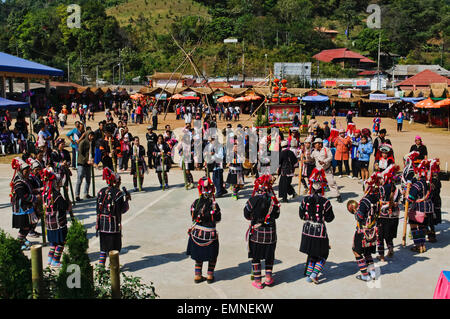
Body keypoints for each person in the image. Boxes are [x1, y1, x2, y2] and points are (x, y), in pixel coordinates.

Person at [244, 175, 280, 289]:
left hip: (257, 234)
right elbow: (277, 215)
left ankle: (258, 281)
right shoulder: (273, 201)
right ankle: (269, 279)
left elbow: (246, 214)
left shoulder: (252, 200)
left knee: (256, 257)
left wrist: (255, 218)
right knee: (269, 256)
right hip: (270, 234)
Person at [299, 168, 335, 284]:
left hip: (307, 230)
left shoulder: (305, 200)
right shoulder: (325, 202)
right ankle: (314, 274)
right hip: (319, 230)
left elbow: (301, 216)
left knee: (312, 252)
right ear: (322, 186)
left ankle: (309, 276)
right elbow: (330, 218)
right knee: (324, 253)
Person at [348, 172, 383, 282]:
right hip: (373, 230)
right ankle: (372, 273)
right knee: (367, 253)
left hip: (363, 231)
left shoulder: (365, 201)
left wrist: (355, 211)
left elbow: (359, 217)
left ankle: (365, 275)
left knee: (357, 251)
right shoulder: (377, 199)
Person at [186, 177, 221, 284]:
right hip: (210, 235)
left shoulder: (195, 203)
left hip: (196, 235)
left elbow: (192, 217)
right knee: (212, 256)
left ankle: (198, 275)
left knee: (198, 256)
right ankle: (210, 276)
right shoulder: (214, 205)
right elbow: (218, 219)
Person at [96, 167, 130, 266]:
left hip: (102, 225)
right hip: (113, 227)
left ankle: (101, 268)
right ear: (116, 181)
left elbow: (97, 209)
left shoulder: (101, 191)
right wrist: (126, 200)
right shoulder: (118, 193)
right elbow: (122, 210)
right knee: (114, 249)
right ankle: (113, 268)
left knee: (103, 249)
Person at [42, 168, 72, 267]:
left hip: (49, 224)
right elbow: (64, 207)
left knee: (53, 243)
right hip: (58, 223)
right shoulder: (57, 195)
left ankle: (50, 259)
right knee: (61, 242)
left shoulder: (45, 193)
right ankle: (56, 260)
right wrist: (68, 203)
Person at [407, 159, 438, 253]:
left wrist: (407, 195)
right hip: (428, 209)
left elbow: (411, 197)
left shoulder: (417, 184)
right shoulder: (430, 184)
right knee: (422, 227)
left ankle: (418, 246)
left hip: (418, 208)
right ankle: (423, 245)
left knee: (414, 227)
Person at [11, 158, 40, 250]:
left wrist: (39, 190)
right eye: (26, 171)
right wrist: (35, 198)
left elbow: (30, 190)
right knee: (25, 227)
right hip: (21, 208)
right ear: (20, 171)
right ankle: (19, 242)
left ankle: (23, 239)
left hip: (26, 206)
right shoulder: (19, 182)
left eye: (28, 171)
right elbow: (23, 196)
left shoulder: (24, 179)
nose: (28, 173)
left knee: (28, 225)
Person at [376, 165, 401, 261]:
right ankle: (390, 248)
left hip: (383, 216)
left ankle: (381, 256)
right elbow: (399, 202)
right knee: (389, 234)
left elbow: (378, 201)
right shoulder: (397, 189)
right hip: (394, 216)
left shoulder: (381, 188)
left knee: (380, 236)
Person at [311, 138, 342, 202]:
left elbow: (330, 157)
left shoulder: (326, 149)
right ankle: (318, 196)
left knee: (331, 183)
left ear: (320, 144)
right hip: (319, 171)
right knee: (317, 183)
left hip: (327, 170)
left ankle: (337, 195)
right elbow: (311, 159)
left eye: (315, 144)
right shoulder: (314, 151)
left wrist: (324, 161)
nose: (315, 145)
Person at [76, 131, 95, 201]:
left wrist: (92, 159)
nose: (92, 137)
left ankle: (86, 193)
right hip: (82, 163)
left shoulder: (92, 143)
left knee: (88, 179)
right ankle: (77, 195)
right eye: (91, 135)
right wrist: (86, 160)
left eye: (93, 136)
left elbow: (92, 152)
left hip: (88, 163)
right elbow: (80, 153)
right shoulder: (83, 142)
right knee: (80, 179)